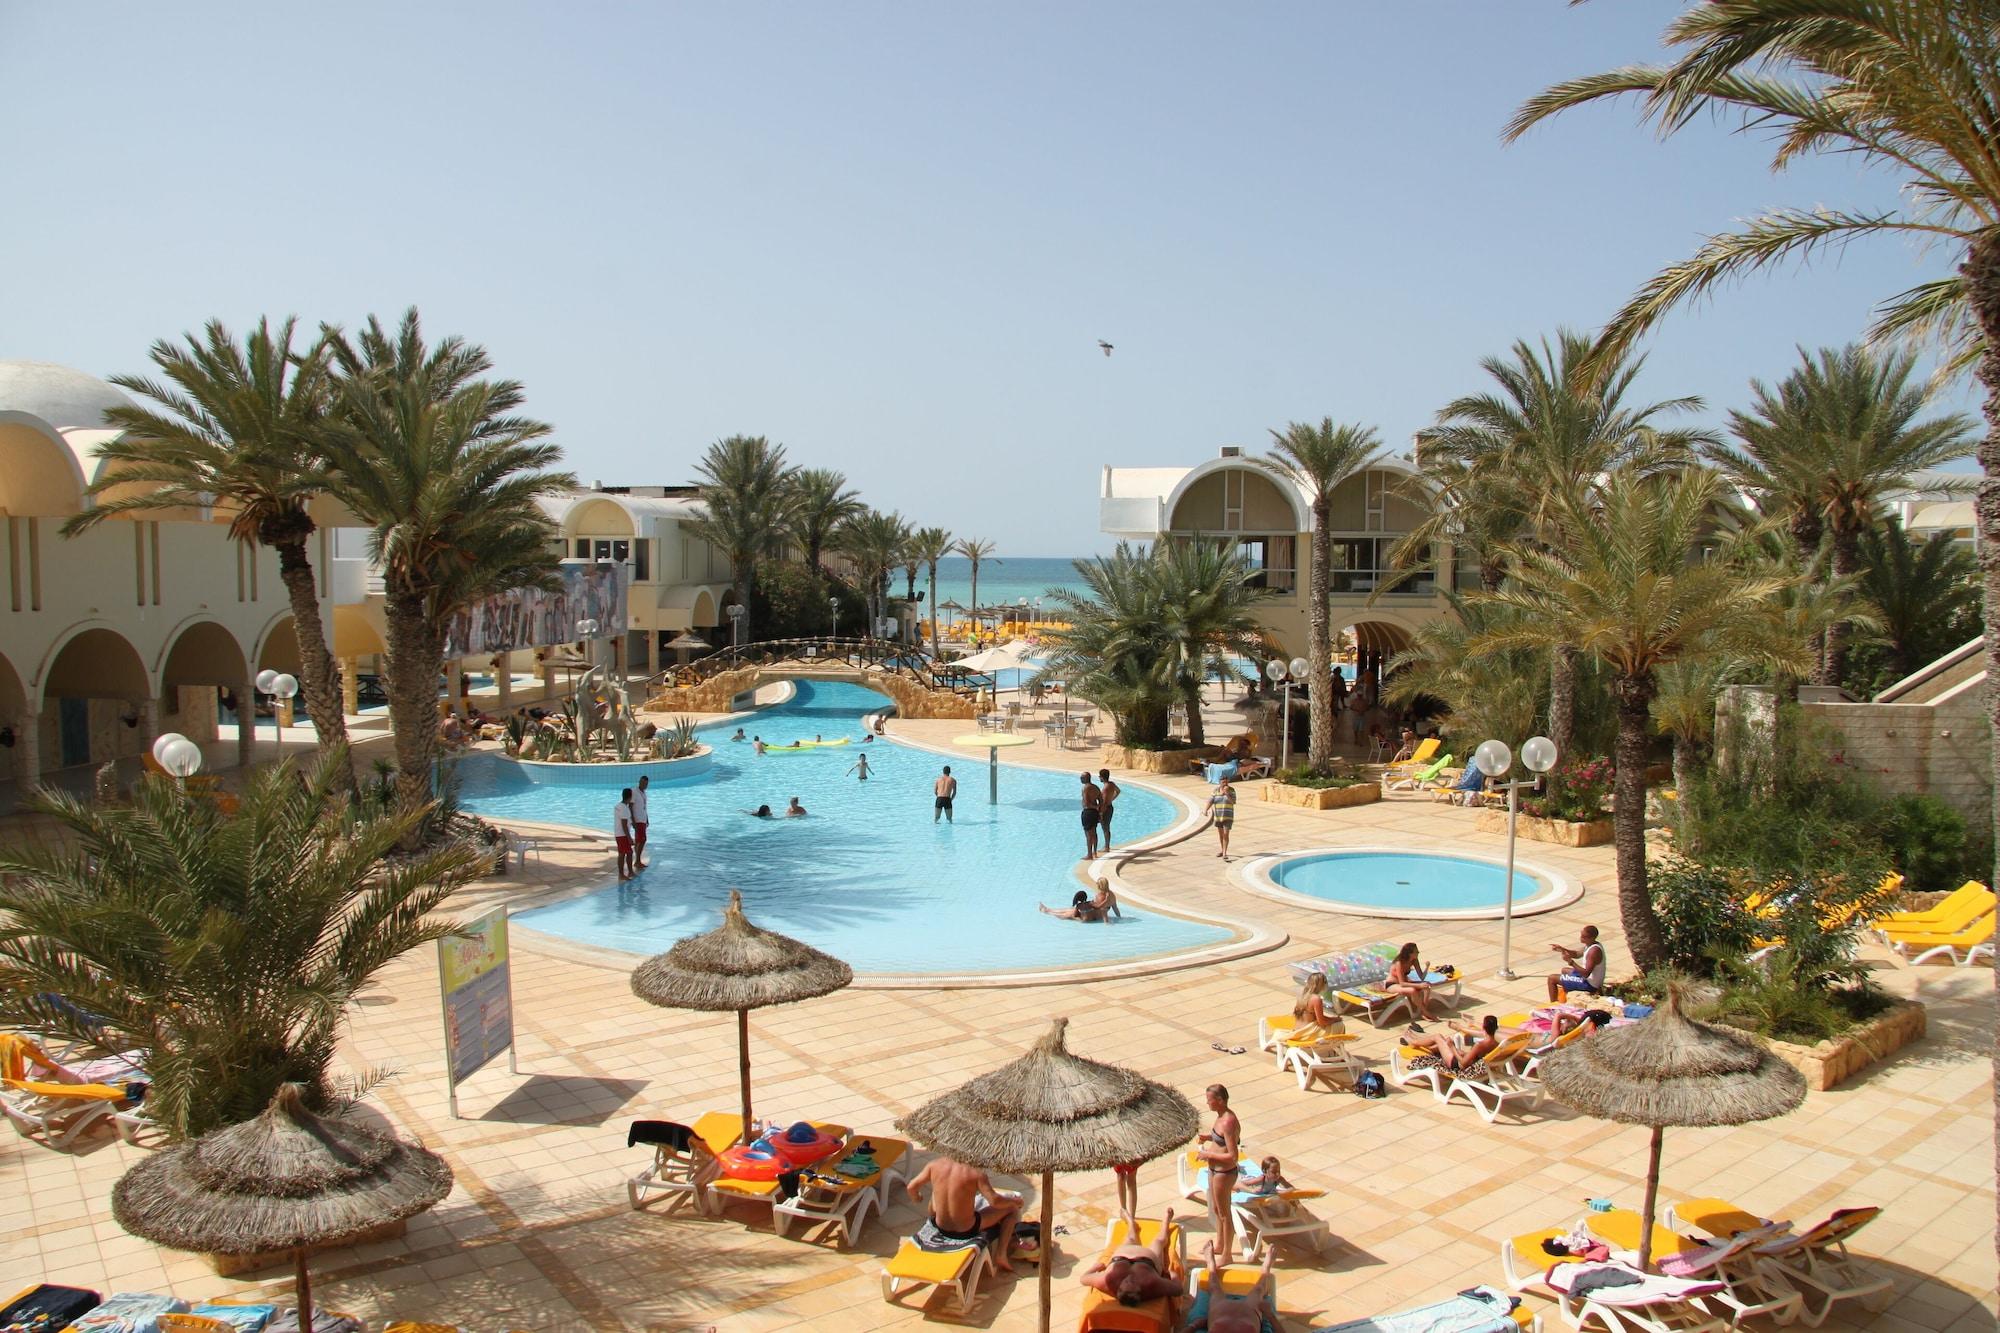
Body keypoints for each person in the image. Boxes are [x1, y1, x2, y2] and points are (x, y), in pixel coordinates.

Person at [905, 1154, 1023, 1273]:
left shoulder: (934, 1165)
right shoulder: (975, 1173)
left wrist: (917, 1198)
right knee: (1012, 1209)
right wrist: (1015, 1201)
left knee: (937, 1192)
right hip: (965, 1230)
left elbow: (911, 1187)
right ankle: (1001, 1254)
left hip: (940, 1226)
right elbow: (995, 1201)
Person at [1079, 1205, 1182, 1307]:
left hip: (1123, 1255)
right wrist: (1173, 1274)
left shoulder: (1107, 1281)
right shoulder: (1152, 1284)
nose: (1129, 1278)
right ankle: (1166, 1222)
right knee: (1159, 1241)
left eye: (1126, 1282)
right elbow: (1178, 1290)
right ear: (1140, 1290)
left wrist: (1096, 1267)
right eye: (1133, 1282)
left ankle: (1130, 1223)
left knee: (1130, 1237)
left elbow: (1083, 1279)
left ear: (1119, 1289)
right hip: (1148, 1259)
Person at [1196, 1083, 1242, 1266]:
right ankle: (1220, 1245)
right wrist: (1209, 1138)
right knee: (1216, 1209)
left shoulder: (1229, 1121)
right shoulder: (1220, 1117)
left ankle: (1227, 1254)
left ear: (1220, 1100)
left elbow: (1233, 1156)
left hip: (1225, 1172)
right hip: (1214, 1170)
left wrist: (1208, 1155)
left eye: (1210, 1100)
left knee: (1224, 1213)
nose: (1207, 1103)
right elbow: (1221, 1139)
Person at [1186, 1241, 1277, 1333]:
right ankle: (1265, 1270)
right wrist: (1270, 1316)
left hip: (1221, 1310)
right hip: (1249, 1311)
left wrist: (1194, 1326)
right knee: (1258, 1290)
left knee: (1214, 1288)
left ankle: (1211, 1267)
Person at [1401, 1013, 1512, 1074]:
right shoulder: (1497, 1043)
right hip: (1475, 1064)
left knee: (1438, 1037)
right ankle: (1418, 1040)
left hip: (1456, 1065)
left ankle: (1414, 1042)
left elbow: (1462, 1064)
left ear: (1483, 1027)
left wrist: (1452, 1047)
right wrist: (1462, 1053)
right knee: (1443, 1042)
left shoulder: (1480, 1045)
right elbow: (1477, 1057)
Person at [1547, 925, 1608, 1001]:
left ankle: (1553, 1004)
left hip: (1589, 985)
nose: (1581, 938)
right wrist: (1562, 949)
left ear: (1592, 938)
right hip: (1589, 979)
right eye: (1581, 935)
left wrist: (1570, 962)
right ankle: (1568, 992)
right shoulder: (1591, 945)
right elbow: (1577, 954)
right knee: (1564, 970)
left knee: (1552, 978)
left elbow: (1586, 974)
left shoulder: (1593, 952)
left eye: (1584, 936)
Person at [1384, 941, 1439, 1022]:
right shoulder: (1399, 963)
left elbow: (1421, 977)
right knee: (1412, 990)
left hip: (1404, 984)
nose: (1418, 952)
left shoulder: (1414, 960)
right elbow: (1402, 983)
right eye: (1416, 951)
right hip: (1392, 985)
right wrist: (1419, 986)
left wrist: (1427, 967)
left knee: (1427, 986)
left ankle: (1423, 1013)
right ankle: (1426, 1012)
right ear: (1409, 953)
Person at [1208, 777, 1237, 861]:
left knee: (1226, 834)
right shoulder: (1215, 790)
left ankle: (1224, 853)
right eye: (1223, 782)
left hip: (1228, 816)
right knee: (1221, 835)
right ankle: (1222, 850)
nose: (1225, 784)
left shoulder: (1231, 790)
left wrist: (1227, 794)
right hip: (1218, 816)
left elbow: (1233, 802)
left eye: (1226, 782)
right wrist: (1206, 810)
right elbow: (1211, 800)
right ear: (1220, 782)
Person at [612, 788, 635, 881]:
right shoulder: (624, 808)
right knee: (623, 853)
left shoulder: (619, 806)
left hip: (619, 834)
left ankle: (630, 871)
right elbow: (624, 825)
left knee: (628, 853)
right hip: (622, 835)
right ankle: (622, 874)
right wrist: (629, 838)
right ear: (630, 797)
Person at [1079, 771, 1103, 858]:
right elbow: (1101, 800)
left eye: (1082, 777)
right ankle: (1095, 852)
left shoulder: (1085, 788)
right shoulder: (1096, 787)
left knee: (1088, 834)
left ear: (1086, 778)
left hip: (1088, 812)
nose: (1080, 779)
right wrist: (1099, 810)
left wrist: (1094, 807)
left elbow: (1087, 803)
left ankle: (1089, 854)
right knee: (1094, 832)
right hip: (1095, 813)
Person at [630, 775, 651, 869]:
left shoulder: (643, 793)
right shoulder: (634, 792)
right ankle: (637, 861)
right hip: (637, 820)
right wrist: (633, 820)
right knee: (642, 839)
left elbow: (644, 807)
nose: (644, 785)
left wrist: (647, 819)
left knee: (640, 840)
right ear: (639, 782)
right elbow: (630, 806)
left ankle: (638, 860)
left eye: (645, 783)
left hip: (642, 820)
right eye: (642, 782)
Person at [1097, 768, 1121, 849]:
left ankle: (1107, 846)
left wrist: (1101, 812)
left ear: (1102, 777)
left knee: (1105, 828)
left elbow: (1104, 802)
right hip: (1110, 807)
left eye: (1099, 776)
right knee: (1106, 827)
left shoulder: (1105, 788)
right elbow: (1118, 791)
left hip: (1106, 809)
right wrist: (1112, 799)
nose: (1099, 778)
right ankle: (1106, 845)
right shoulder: (1112, 784)